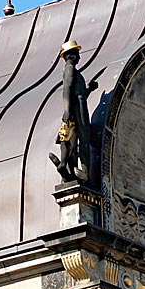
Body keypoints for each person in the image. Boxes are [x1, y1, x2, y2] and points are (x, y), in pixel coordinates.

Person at [50, 41, 98, 183]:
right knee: (82, 139)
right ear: (71, 56)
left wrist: (89, 89)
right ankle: (83, 171)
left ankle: (70, 168)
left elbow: (78, 93)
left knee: (73, 137)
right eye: (77, 54)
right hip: (78, 108)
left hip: (78, 106)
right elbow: (67, 90)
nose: (79, 57)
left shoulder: (74, 71)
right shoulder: (70, 69)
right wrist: (67, 110)